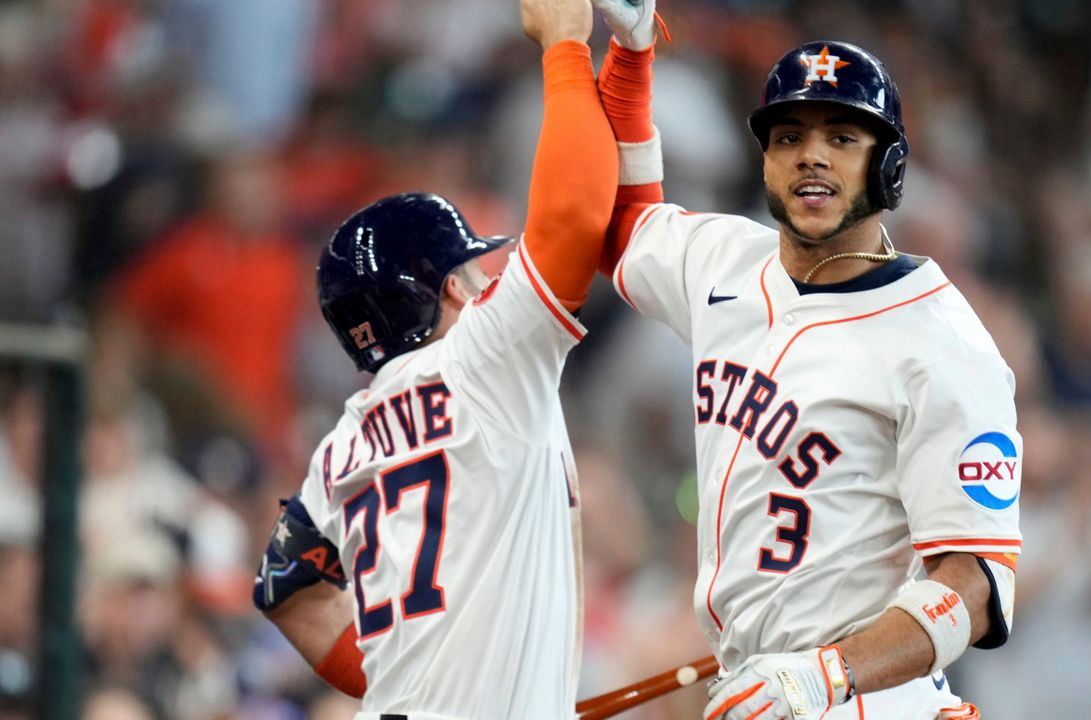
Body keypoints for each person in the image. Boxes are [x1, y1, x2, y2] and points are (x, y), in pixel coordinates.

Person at [587, 2, 1021, 717]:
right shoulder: (724, 260)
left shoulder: (946, 345)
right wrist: (631, 59)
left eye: (842, 137)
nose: (811, 155)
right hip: (754, 682)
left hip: (868, 696)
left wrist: (823, 675)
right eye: (789, 136)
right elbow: (622, 223)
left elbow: (976, 581)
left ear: (889, 165)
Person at [249, 0, 618, 716]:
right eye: (473, 269)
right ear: (450, 286)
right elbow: (575, 218)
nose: (487, 279)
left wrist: (408, 683)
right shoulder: (487, 360)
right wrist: (568, 46)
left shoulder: (342, 444)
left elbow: (284, 586)